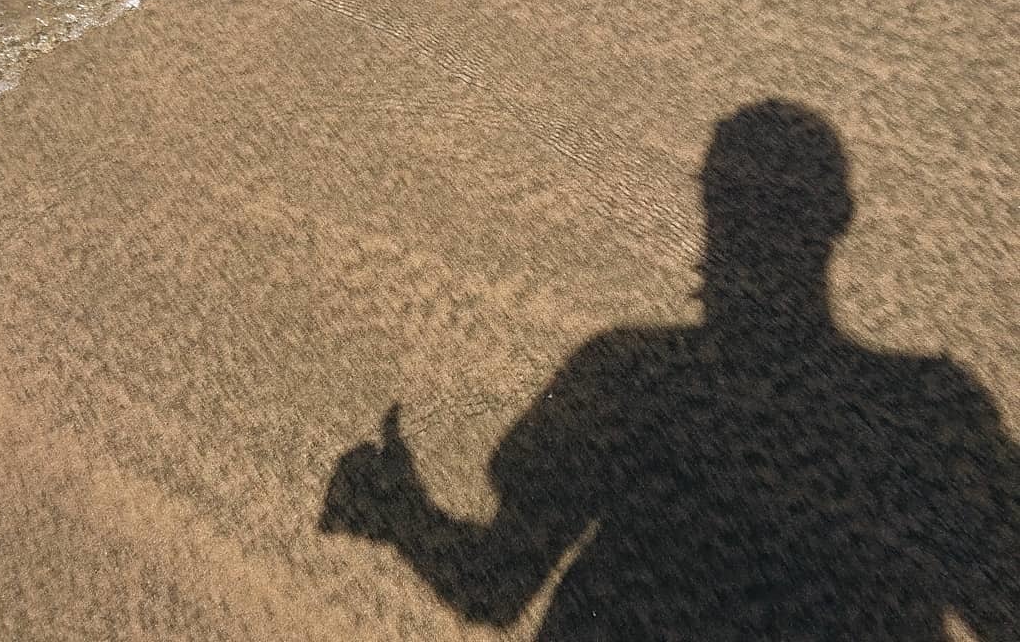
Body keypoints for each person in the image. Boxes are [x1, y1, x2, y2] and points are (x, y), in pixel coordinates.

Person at [321, 100, 1019, 640]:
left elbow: (494, 588)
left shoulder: (628, 377)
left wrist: (396, 510)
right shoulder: (933, 414)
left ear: (708, 206)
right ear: (839, 215)